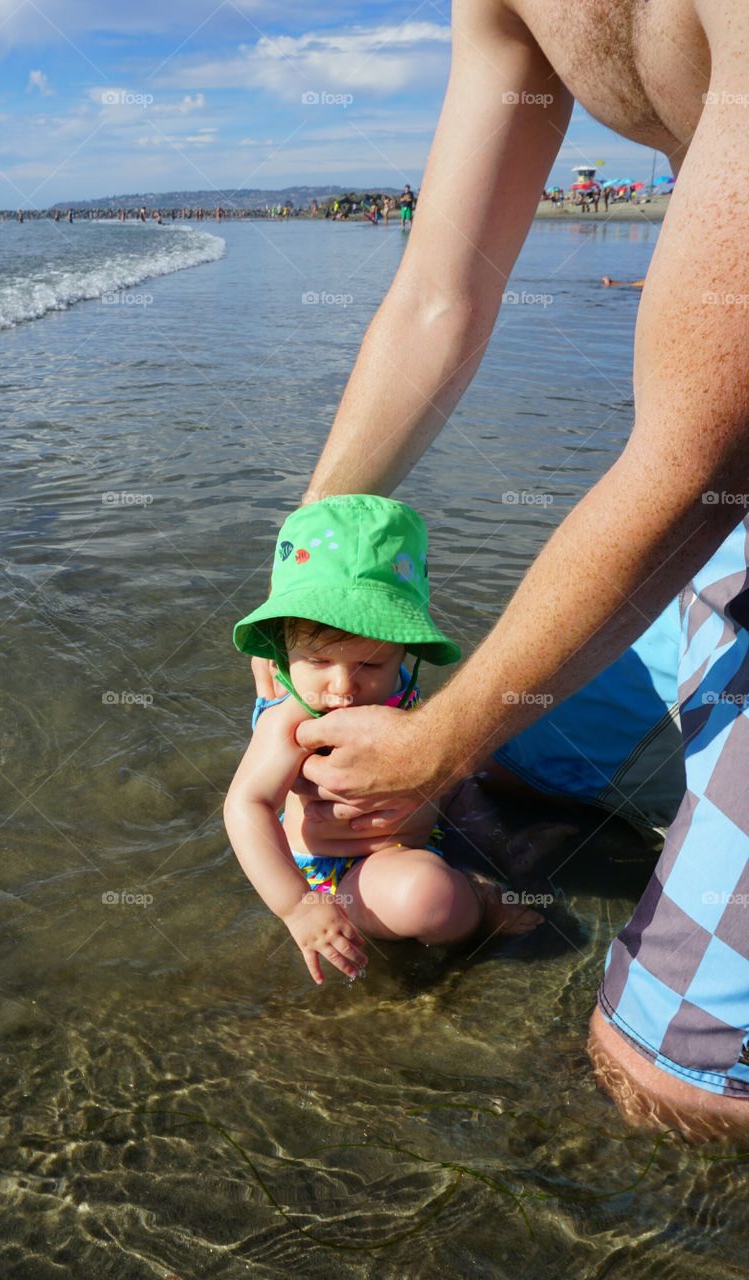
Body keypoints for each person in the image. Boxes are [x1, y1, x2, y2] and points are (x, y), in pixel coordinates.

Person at [244, 0, 749, 1140]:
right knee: (510, 770)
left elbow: (706, 446)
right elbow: (437, 296)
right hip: (707, 515)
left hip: (717, 471)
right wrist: (306, 583)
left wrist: (437, 735)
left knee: (671, 1086)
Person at [226, 496, 543, 984]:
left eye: (370, 664)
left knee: (473, 789)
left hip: (415, 837)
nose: (343, 687)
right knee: (428, 901)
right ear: (283, 654)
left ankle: (496, 864)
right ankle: (477, 898)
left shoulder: (398, 690)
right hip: (337, 874)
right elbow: (246, 805)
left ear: (404, 652)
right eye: (317, 662)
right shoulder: (292, 719)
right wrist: (298, 906)